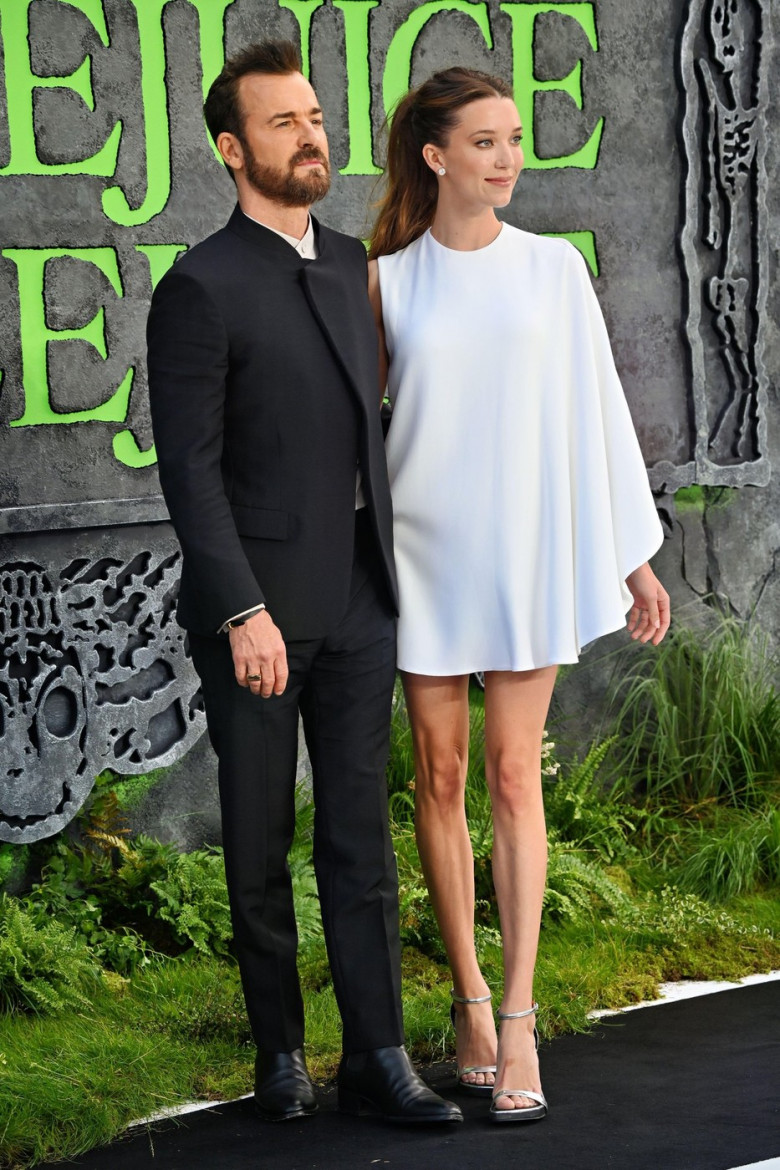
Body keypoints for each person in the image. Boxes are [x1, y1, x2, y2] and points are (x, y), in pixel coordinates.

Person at [146, 40, 461, 1127]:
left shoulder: (348, 265)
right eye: (282, 123)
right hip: (257, 618)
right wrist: (242, 609)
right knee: (256, 845)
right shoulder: (198, 287)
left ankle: (379, 1054)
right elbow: (187, 467)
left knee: (360, 847)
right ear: (233, 150)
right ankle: (280, 1054)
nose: (311, 135)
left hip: (360, 602)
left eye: (316, 116)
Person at [367, 67, 670, 1124]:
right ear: (435, 155)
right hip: (424, 555)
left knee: (511, 775)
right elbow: (359, 437)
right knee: (440, 779)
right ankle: (469, 1003)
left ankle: (527, 1015)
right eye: (485, 141)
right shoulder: (388, 282)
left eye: (514, 140)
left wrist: (632, 555)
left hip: (525, 551)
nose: (508, 159)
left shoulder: (553, 273)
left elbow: (598, 409)